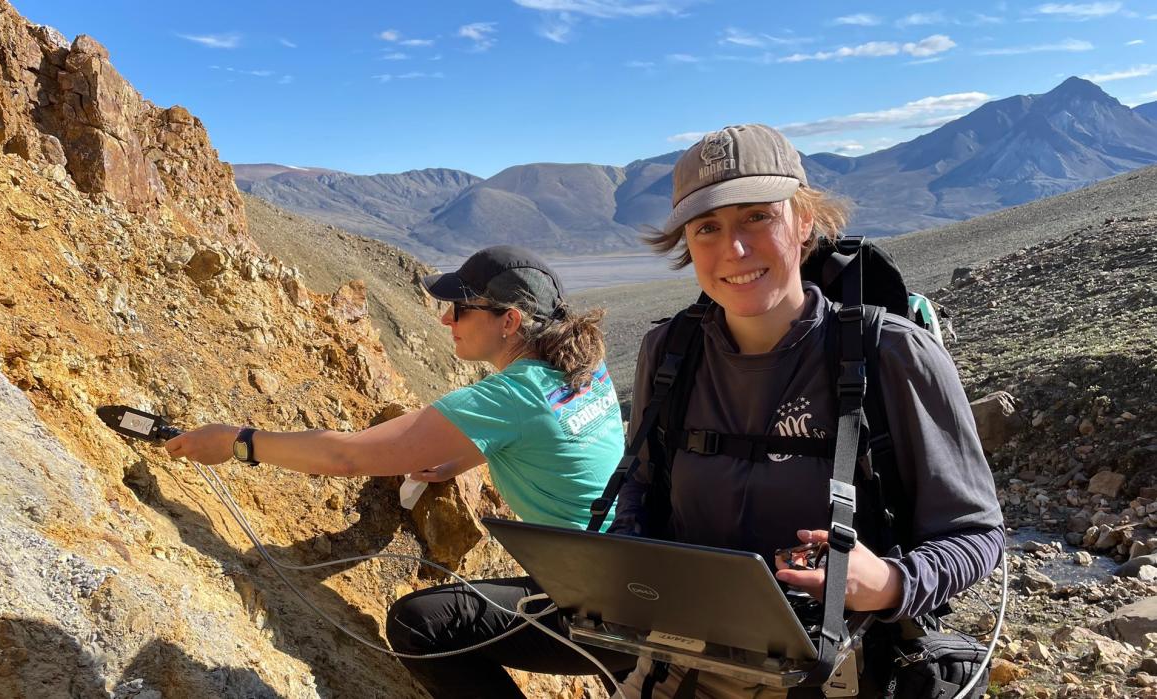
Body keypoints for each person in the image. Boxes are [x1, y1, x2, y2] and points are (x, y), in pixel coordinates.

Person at [608, 125, 1004, 698]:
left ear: (804, 223)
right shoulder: (669, 353)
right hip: (681, 661)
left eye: (756, 217)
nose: (733, 250)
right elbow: (641, 489)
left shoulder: (890, 353)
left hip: (841, 672)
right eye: (706, 228)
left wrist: (892, 583)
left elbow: (976, 533)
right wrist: (623, 577)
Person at [165, 245, 634, 696]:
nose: (446, 319)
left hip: (599, 607)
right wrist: (460, 458)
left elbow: (346, 457)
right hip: (643, 581)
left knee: (420, 623)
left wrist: (236, 442)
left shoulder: (512, 396)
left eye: (461, 308)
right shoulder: (581, 367)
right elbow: (548, 433)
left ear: (509, 321)